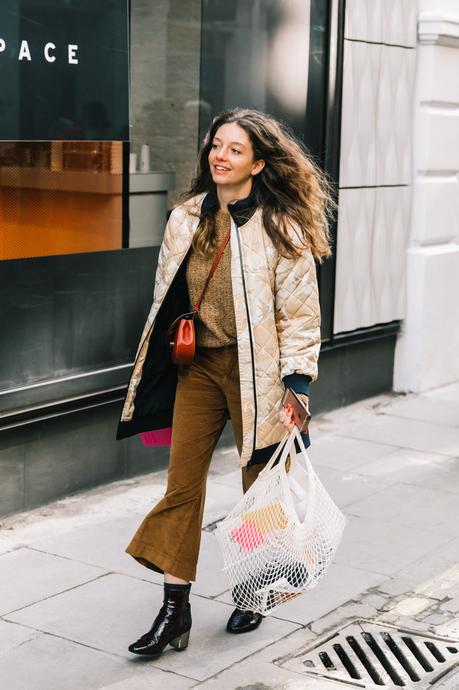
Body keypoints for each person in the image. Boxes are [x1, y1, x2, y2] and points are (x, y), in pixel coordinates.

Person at [116, 107, 333, 657]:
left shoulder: (281, 227)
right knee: (181, 488)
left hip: (258, 375)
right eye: (217, 145)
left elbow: (300, 315)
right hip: (201, 371)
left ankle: (256, 585)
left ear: (258, 163)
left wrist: (298, 385)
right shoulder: (186, 217)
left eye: (235, 149)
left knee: (259, 487)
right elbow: (165, 298)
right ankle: (174, 608)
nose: (220, 155)